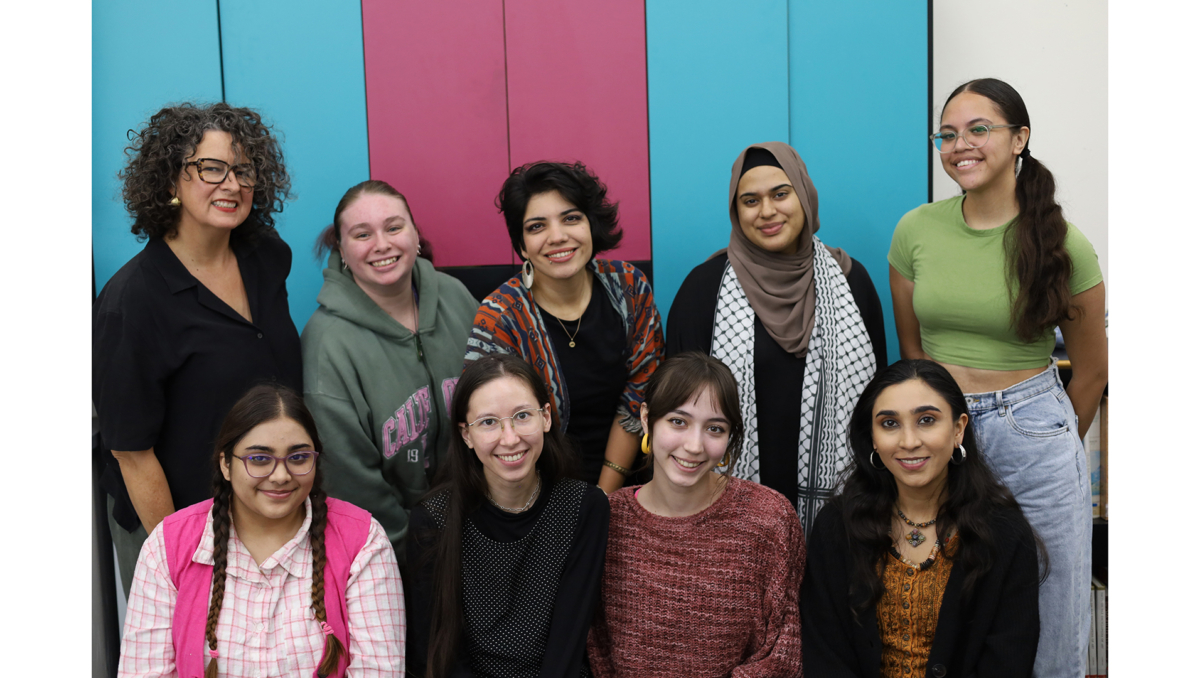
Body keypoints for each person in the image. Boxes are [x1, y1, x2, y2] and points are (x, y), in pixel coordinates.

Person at [888, 78, 1106, 677]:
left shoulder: (1065, 244)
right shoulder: (915, 232)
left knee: (1053, 607)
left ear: (1020, 139)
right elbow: (913, 359)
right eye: (948, 134)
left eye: (979, 129)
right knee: (944, 598)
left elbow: (1090, 373)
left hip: (1032, 425)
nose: (961, 144)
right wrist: (932, 425)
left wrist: (1053, 439)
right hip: (940, 430)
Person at [94, 102, 303, 597]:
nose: (231, 184)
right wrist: (187, 564)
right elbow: (131, 453)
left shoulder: (266, 255)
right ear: (171, 181)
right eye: (211, 168)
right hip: (174, 524)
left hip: (267, 508)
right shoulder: (133, 301)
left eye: (243, 169)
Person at [667, 141, 887, 534]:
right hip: (725, 510)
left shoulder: (852, 282)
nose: (767, 211)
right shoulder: (704, 291)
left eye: (781, 194)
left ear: (804, 196)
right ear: (736, 212)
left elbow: (879, 401)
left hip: (841, 510)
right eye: (750, 200)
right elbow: (677, 413)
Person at [117, 384, 405, 678]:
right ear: (226, 465)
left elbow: (379, 670)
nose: (280, 476)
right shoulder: (168, 546)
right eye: (259, 459)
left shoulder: (363, 541)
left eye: (298, 458)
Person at [801, 360, 1041, 678]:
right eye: (889, 424)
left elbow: (1009, 659)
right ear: (872, 437)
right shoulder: (837, 526)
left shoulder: (1004, 534)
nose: (909, 441)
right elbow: (824, 653)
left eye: (926, 420)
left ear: (958, 429)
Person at [588, 352, 804, 678]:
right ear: (647, 419)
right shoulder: (606, 520)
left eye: (714, 429)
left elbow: (782, 652)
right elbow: (595, 648)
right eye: (678, 421)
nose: (694, 445)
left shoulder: (769, 519)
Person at [302, 179, 477, 566]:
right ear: (342, 251)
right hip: (398, 554)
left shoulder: (457, 298)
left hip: (481, 528)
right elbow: (349, 479)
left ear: (415, 236)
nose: (381, 244)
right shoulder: (327, 342)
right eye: (362, 234)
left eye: (394, 227)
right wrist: (416, 551)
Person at [464, 161, 664, 494]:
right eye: (537, 226)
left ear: (590, 225)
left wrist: (604, 497)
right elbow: (496, 426)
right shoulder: (500, 317)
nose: (557, 237)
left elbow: (640, 394)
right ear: (522, 245)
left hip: (634, 484)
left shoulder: (629, 286)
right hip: (534, 491)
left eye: (571, 218)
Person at [406, 354, 609, 678]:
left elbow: (567, 647)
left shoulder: (584, 507)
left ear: (545, 417)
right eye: (488, 422)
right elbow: (437, 651)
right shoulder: (433, 520)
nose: (510, 437)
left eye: (522, 416)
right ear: (466, 435)